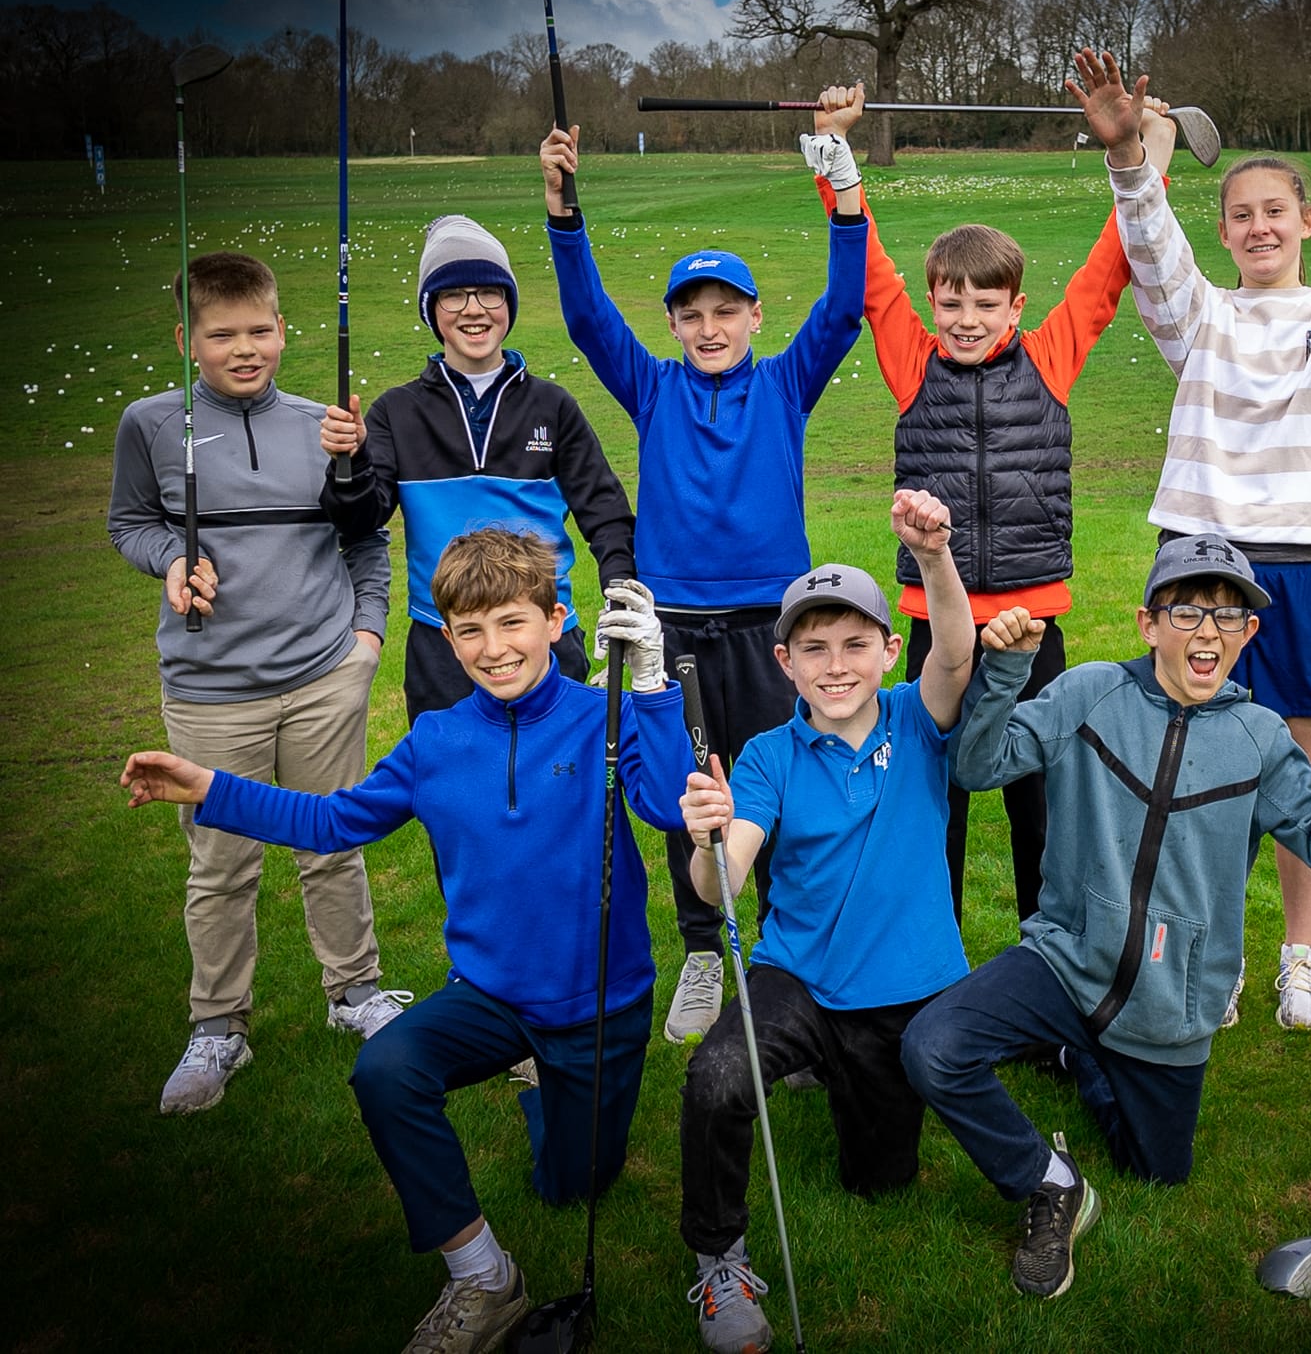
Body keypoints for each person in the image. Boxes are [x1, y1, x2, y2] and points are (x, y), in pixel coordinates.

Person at [121, 527, 694, 1353]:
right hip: (489, 996)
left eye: (512, 624)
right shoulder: (435, 741)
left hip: (598, 1007)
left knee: (570, 1184)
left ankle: (543, 1088)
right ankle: (483, 1277)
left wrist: (651, 690)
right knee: (385, 1069)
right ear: (447, 637)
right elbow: (330, 819)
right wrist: (208, 786)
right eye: (470, 631)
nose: (493, 650)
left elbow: (675, 809)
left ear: (557, 619)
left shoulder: (600, 716)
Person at [1072, 48, 1311, 1032]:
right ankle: (1209, 948)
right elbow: (1152, 254)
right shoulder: (1200, 319)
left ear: (1307, 221)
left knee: (1295, 770)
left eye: (1274, 211)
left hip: (1301, 563)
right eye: (1239, 214)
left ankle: (1296, 953)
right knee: (1187, 766)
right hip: (1199, 561)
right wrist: (1127, 162)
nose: (1257, 226)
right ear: (1226, 229)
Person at [900, 535, 1311, 1299]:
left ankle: (1081, 1058)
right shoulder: (1090, 691)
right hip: (1065, 960)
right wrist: (1009, 671)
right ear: (1148, 623)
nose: (1209, 633)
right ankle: (1050, 1182)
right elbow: (977, 765)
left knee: (1156, 1171)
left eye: (1229, 619)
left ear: (1250, 636)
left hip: (1172, 1001)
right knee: (933, 1047)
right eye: (1188, 611)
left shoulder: (1260, 739)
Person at [799, 58, 1177, 932]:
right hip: (938, 623)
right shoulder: (911, 359)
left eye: (986, 303)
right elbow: (871, 273)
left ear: (1017, 307)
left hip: (1032, 626)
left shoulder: (1050, 356)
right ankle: (926, 966)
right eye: (952, 302)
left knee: (1040, 803)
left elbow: (1110, 267)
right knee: (933, 803)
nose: (967, 318)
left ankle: (1045, 970)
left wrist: (1142, 154)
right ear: (933, 304)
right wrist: (835, 154)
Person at [540, 99, 869, 1047]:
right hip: (675, 628)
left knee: (774, 787)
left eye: (728, 310)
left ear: (756, 317)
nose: (710, 325)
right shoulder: (651, 385)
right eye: (693, 312)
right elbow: (586, 317)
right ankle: (698, 948)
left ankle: (778, 959)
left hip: (774, 627)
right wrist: (566, 215)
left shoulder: (785, 381)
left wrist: (845, 196)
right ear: (676, 322)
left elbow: (844, 306)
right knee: (694, 793)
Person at [109, 250, 407, 1116]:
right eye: (221, 334)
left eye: (260, 331)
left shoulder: (325, 425)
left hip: (323, 674)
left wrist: (365, 642)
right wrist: (171, 558)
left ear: (283, 329)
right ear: (186, 339)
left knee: (333, 842)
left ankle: (353, 991)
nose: (245, 349)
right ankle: (218, 1026)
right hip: (209, 688)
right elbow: (129, 522)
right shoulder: (151, 425)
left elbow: (367, 538)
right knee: (221, 862)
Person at [675, 491, 973, 1354]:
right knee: (720, 1076)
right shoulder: (767, 755)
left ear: (888, 651)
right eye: (814, 649)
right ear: (785, 661)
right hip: (797, 979)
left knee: (880, 1183)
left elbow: (953, 652)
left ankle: (836, 1080)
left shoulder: (922, 719)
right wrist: (708, 840)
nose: (835, 666)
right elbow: (722, 882)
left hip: (907, 992)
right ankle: (717, 1257)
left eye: (854, 645)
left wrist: (935, 557)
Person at [319, 213, 637, 725]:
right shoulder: (395, 413)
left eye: (490, 293)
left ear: (508, 303)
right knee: (455, 793)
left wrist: (621, 590)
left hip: (544, 634)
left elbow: (605, 511)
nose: (474, 310)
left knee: (561, 788)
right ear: (431, 308)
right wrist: (350, 461)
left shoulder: (552, 405)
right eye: (454, 295)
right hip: (445, 643)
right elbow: (358, 519)